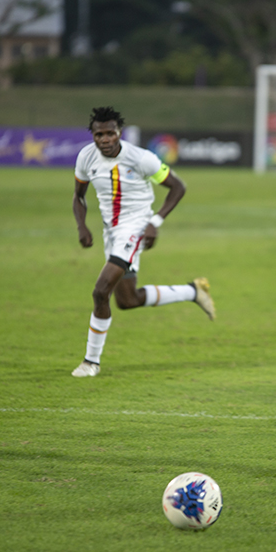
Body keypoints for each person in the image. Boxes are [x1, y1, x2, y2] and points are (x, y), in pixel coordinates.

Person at [71, 106, 216, 377]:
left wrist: (154, 222)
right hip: (110, 233)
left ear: (119, 133)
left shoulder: (140, 158)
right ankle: (193, 291)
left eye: (110, 133)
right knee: (127, 300)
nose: (104, 139)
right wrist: (82, 226)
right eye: (98, 134)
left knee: (101, 291)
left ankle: (91, 362)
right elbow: (78, 196)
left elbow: (178, 187)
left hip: (135, 229)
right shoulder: (85, 157)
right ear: (92, 135)